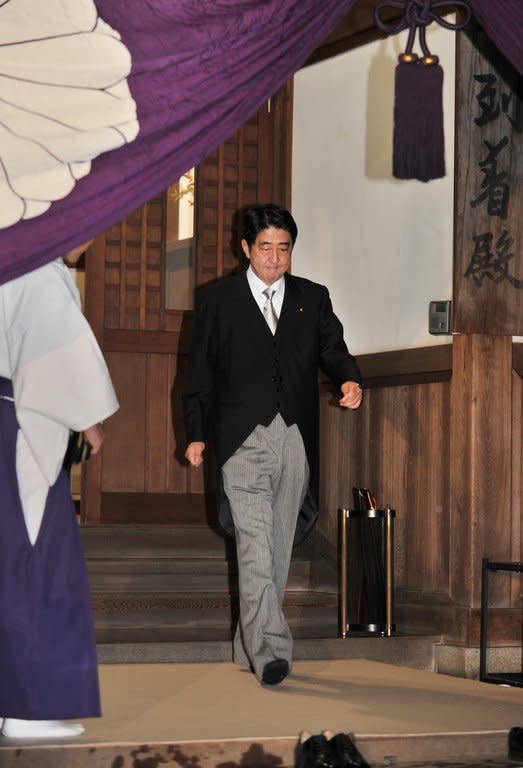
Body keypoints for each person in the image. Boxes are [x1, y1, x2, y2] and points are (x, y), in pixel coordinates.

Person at [183, 204, 362, 686]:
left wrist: (349, 379)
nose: (275, 258)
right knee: (257, 543)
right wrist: (196, 432)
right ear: (246, 248)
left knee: (278, 546)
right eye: (265, 247)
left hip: (295, 437)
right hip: (240, 438)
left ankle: (249, 646)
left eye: (284, 248)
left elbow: (333, 348)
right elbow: (198, 372)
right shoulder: (217, 300)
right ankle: (270, 650)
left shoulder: (312, 298)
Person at [0, 241, 118, 739]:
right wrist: (91, 424)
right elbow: (60, 361)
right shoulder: (38, 271)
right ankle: (27, 707)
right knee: (35, 556)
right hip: (20, 421)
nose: (90, 242)